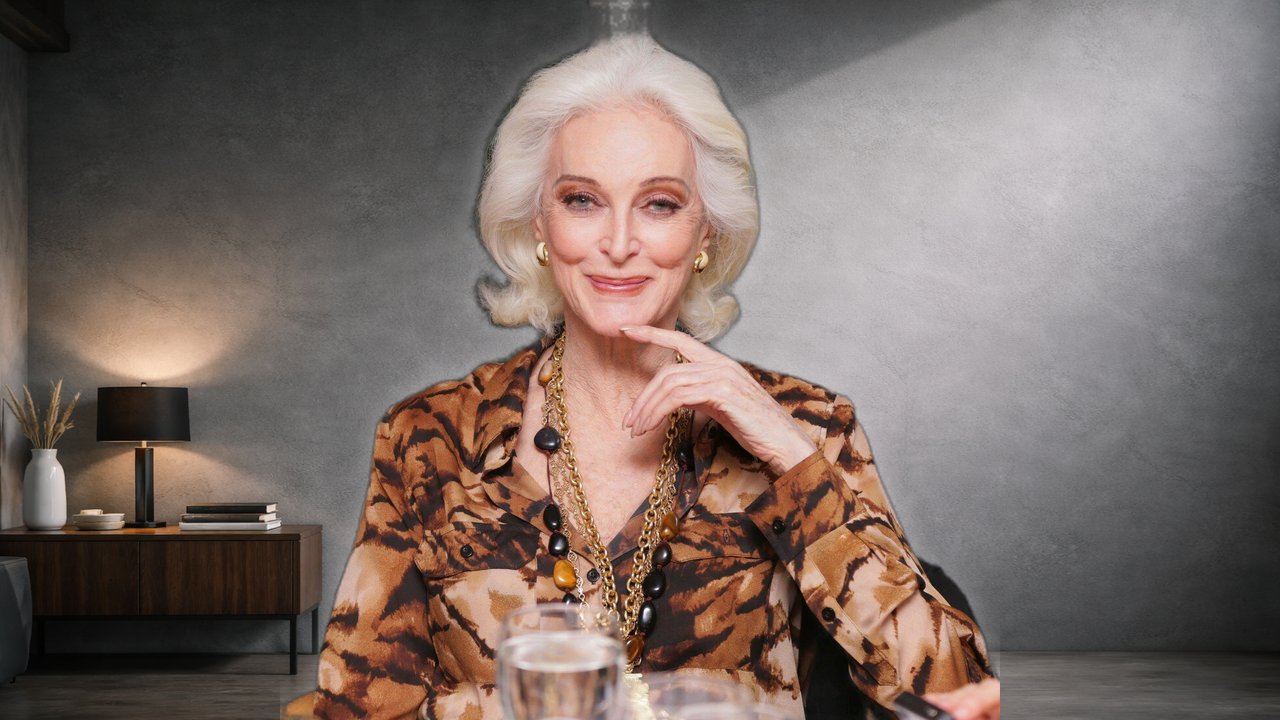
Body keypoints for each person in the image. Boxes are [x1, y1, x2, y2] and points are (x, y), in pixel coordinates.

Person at [313, 35, 995, 719]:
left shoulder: (809, 427)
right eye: (582, 200)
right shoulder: (427, 436)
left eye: (660, 204)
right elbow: (356, 709)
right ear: (539, 223)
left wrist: (791, 459)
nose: (618, 244)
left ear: (706, 234)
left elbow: (953, 694)